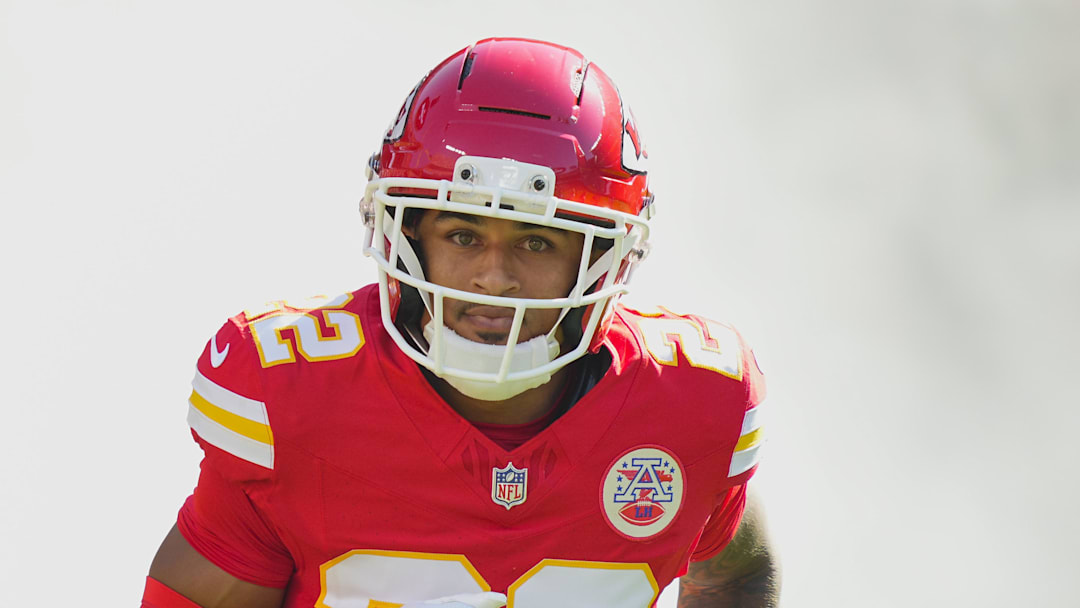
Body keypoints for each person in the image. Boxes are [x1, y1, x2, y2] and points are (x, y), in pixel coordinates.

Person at [143, 37, 779, 608]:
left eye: (537, 242)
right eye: (464, 234)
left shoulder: (692, 403)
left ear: (603, 260)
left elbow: (734, 574)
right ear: (408, 234)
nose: (494, 277)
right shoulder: (290, 396)